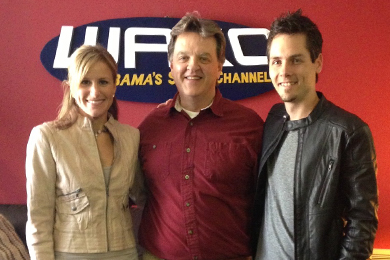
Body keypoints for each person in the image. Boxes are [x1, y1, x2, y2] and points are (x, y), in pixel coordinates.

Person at [253, 9, 378, 260]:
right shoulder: (273, 120)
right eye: (276, 61)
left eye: (296, 60)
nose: (284, 71)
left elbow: (362, 222)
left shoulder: (349, 131)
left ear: (317, 62)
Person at [138, 12, 264, 260]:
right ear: (171, 65)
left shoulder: (250, 126)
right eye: (183, 57)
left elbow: (268, 202)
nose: (192, 66)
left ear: (219, 66)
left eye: (204, 58)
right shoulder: (150, 128)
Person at [26, 44, 144, 260]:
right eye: (85, 82)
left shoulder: (131, 137)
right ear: (71, 87)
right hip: (71, 253)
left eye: (103, 82)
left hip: (125, 252)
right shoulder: (46, 137)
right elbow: (38, 218)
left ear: (114, 87)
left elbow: (144, 196)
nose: (95, 92)